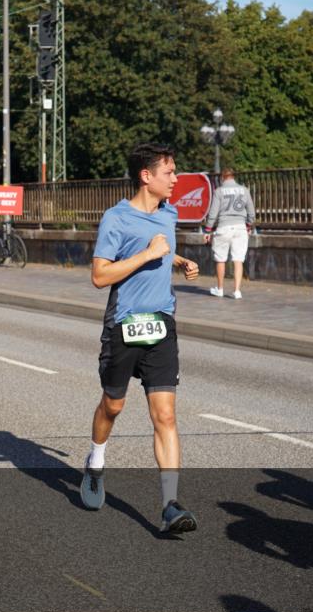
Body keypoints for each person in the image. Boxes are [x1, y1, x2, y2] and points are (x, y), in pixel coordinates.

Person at [82, 142, 200, 533]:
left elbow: (162, 248)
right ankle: (96, 460)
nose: (176, 179)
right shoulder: (116, 218)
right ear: (146, 176)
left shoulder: (170, 213)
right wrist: (148, 255)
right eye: (170, 172)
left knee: (165, 414)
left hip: (161, 323)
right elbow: (100, 276)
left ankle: (170, 504)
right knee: (113, 406)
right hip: (124, 325)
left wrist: (179, 260)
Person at [205, 168, 255, 299]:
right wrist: (248, 225)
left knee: (220, 259)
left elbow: (213, 213)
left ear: (223, 177)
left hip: (224, 227)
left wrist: (208, 229)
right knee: (238, 259)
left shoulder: (219, 191)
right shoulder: (244, 190)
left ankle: (220, 289)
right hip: (240, 228)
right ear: (234, 177)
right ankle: (237, 291)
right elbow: (251, 212)